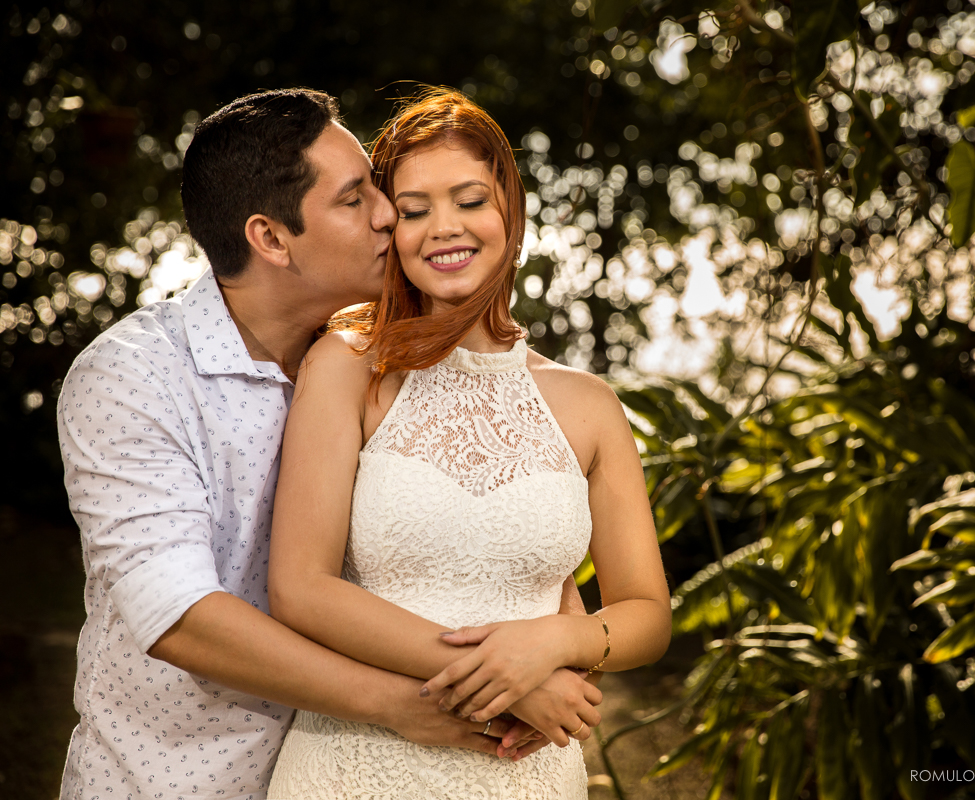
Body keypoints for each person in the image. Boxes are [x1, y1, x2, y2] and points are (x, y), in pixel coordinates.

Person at [55, 88, 596, 800]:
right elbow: (179, 618)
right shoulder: (133, 377)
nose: (387, 212)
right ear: (272, 239)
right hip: (176, 781)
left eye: (377, 188)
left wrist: (555, 636)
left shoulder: (380, 365)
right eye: (353, 199)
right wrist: (414, 701)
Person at [263, 88, 672, 798]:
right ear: (389, 229)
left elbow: (646, 613)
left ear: (510, 208)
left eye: (470, 200)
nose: (443, 229)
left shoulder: (590, 406)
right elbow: (301, 589)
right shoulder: (349, 366)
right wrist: (507, 680)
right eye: (414, 210)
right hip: (354, 768)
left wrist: (554, 643)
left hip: (529, 775)